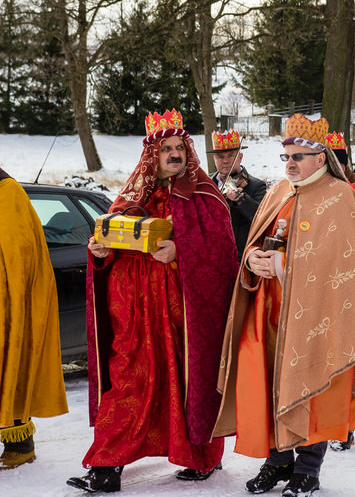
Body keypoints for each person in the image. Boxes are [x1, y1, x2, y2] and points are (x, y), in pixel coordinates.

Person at [68, 109, 238, 493]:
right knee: (127, 384)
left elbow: (223, 256)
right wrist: (98, 252)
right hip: (133, 315)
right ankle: (105, 467)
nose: (174, 154)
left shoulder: (206, 198)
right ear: (152, 155)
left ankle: (202, 459)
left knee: (189, 383)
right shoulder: (129, 197)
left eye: (180, 147)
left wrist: (180, 251)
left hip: (184, 316)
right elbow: (110, 242)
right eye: (167, 149)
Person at [212, 114, 355, 496]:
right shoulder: (277, 192)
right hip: (268, 312)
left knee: (313, 384)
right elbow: (258, 239)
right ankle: (277, 460)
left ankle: (308, 467)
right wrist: (252, 260)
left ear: (320, 158)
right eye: (286, 155)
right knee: (269, 384)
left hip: (316, 315)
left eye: (299, 156)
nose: (290, 163)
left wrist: (284, 265)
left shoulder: (341, 197)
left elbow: (343, 264)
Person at [0, 169, 68, 470]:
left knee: (10, 367)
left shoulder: (7, 191)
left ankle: (19, 443)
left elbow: (18, 250)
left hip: (7, 299)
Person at [209, 129, 268, 259]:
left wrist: (241, 199)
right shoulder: (207, 185)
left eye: (231, 155)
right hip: (211, 257)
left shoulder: (256, 186)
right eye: (220, 157)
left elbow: (262, 219)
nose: (225, 161)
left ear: (240, 157)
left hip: (239, 257)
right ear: (214, 159)